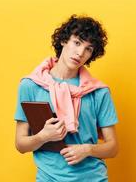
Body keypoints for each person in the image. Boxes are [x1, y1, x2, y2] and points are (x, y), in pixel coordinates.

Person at [14, 14, 119, 182]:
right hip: (49, 178)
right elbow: (20, 144)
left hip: (93, 177)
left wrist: (87, 150)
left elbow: (113, 147)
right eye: (77, 43)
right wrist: (43, 136)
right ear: (64, 40)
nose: (80, 53)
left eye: (88, 49)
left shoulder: (98, 92)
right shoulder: (31, 85)